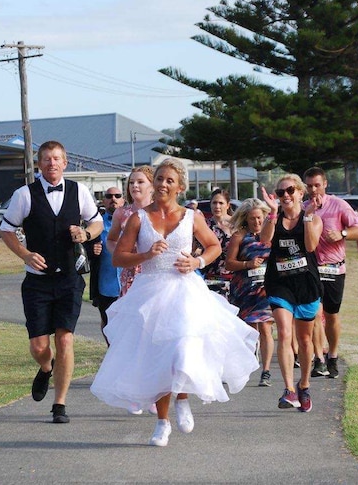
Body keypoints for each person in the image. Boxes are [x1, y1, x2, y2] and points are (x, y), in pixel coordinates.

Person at [91, 158, 259, 447]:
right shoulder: (138, 217)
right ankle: (162, 422)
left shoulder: (191, 217)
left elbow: (214, 246)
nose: (163, 185)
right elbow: (119, 256)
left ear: (180, 186)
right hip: (150, 291)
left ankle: (182, 398)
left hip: (185, 291)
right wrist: (145, 255)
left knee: (182, 348)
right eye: (159, 179)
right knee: (158, 357)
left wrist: (197, 261)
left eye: (169, 180)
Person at [0, 140, 103, 424]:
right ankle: (46, 367)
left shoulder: (79, 191)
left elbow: (97, 223)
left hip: (70, 279)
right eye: (46, 159)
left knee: (65, 338)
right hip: (37, 283)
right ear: (39, 164)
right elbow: (6, 230)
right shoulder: (24, 195)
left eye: (57, 159)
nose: (52, 164)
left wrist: (85, 234)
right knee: (38, 346)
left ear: (65, 162)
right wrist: (25, 254)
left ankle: (60, 404)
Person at [259, 174, 323, 411]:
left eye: (290, 191)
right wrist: (272, 213)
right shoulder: (273, 218)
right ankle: (289, 390)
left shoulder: (313, 219)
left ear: (300, 193)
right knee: (285, 333)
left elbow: (310, 246)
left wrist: (306, 217)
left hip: (306, 283)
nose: (285, 195)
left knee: (305, 339)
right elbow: (265, 241)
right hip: (279, 283)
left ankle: (303, 384)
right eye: (280, 192)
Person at [302, 167, 358, 379]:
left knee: (331, 315)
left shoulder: (338, 205)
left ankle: (333, 355)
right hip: (310, 268)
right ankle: (319, 359)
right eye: (309, 186)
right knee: (314, 314)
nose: (313, 190)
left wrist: (341, 233)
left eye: (317, 185)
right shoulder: (303, 208)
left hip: (334, 267)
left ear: (325, 184)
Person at [226, 198, 275, 387]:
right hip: (244, 288)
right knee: (249, 330)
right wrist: (247, 264)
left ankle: (266, 371)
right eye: (253, 218)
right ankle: (248, 363)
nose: (257, 222)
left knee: (265, 327)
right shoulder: (239, 236)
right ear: (246, 219)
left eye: (260, 218)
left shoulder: (270, 235)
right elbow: (229, 263)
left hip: (265, 288)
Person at [107, 166, 154, 295]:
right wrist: (120, 254)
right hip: (130, 272)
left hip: (154, 271)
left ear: (153, 186)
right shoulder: (121, 213)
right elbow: (111, 240)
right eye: (131, 183)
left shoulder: (160, 211)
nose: (135, 186)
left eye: (140, 182)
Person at [90, 186, 124, 343]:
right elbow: (86, 249)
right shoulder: (97, 225)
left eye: (118, 195)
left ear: (123, 199)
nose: (113, 199)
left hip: (131, 284)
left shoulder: (133, 221)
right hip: (106, 285)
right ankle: (112, 352)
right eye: (109, 196)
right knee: (108, 323)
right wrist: (92, 250)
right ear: (104, 201)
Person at [200, 188, 234, 296]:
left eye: (221, 203)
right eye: (214, 203)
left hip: (235, 279)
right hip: (211, 279)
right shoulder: (204, 225)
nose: (217, 206)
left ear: (228, 205)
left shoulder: (238, 224)